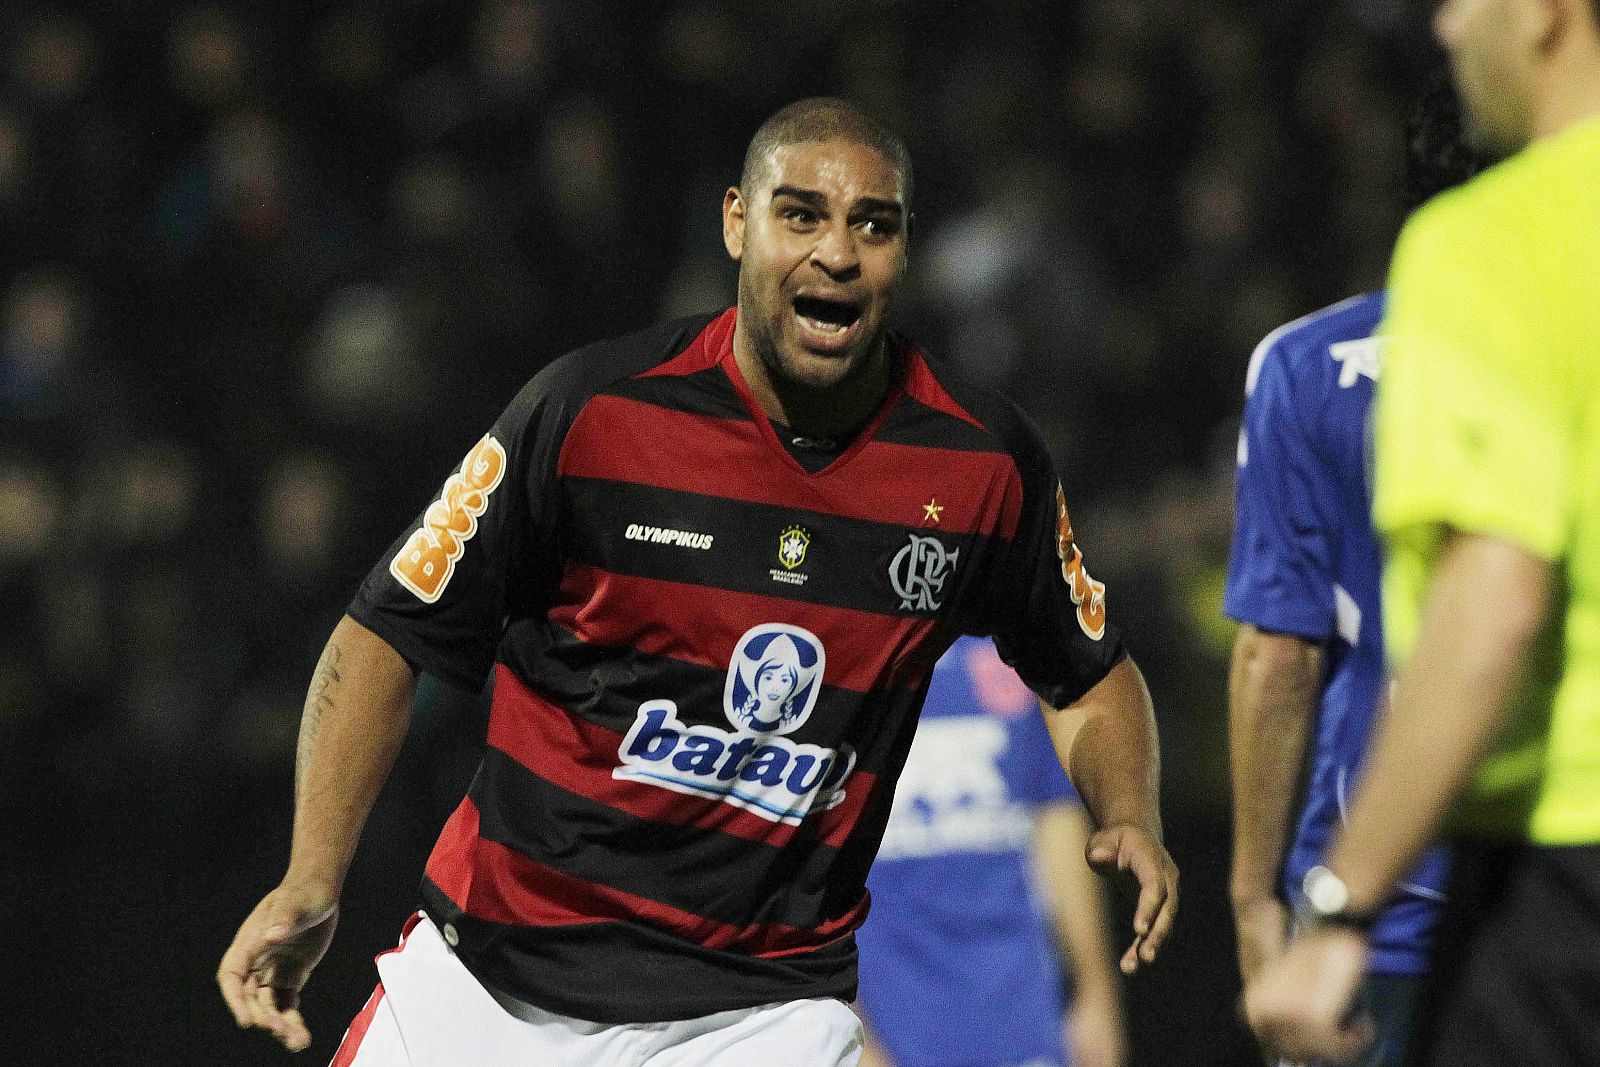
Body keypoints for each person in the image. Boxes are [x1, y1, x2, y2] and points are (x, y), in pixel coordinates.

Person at [216, 97, 1178, 1067]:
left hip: (762, 1017)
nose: (836, 252)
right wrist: (311, 874)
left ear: (905, 246)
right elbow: (388, 630)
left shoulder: (982, 465)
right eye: (800, 214)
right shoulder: (590, 412)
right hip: (495, 987)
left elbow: (1089, 670)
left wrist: (1129, 812)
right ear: (736, 222)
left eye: (871, 225)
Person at [1244, 1, 1600, 1064]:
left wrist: (1340, 906)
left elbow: (1490, 601)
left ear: (1548, 15)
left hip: (1555, 876)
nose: (1445, 30)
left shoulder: (1490, 244)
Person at [1224, 75, 1485, 1066]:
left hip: (1366, 906)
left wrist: (1253, 895)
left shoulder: (1305, 363)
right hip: (1555, 889)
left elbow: (1274, 660)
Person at [854, 635, 1126, 1067]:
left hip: (1024, 1017)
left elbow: (1055, 817)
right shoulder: (845, 646)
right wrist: (847, 1030)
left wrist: (1096, 993)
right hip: (889, 1021)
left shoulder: (1010, 638)